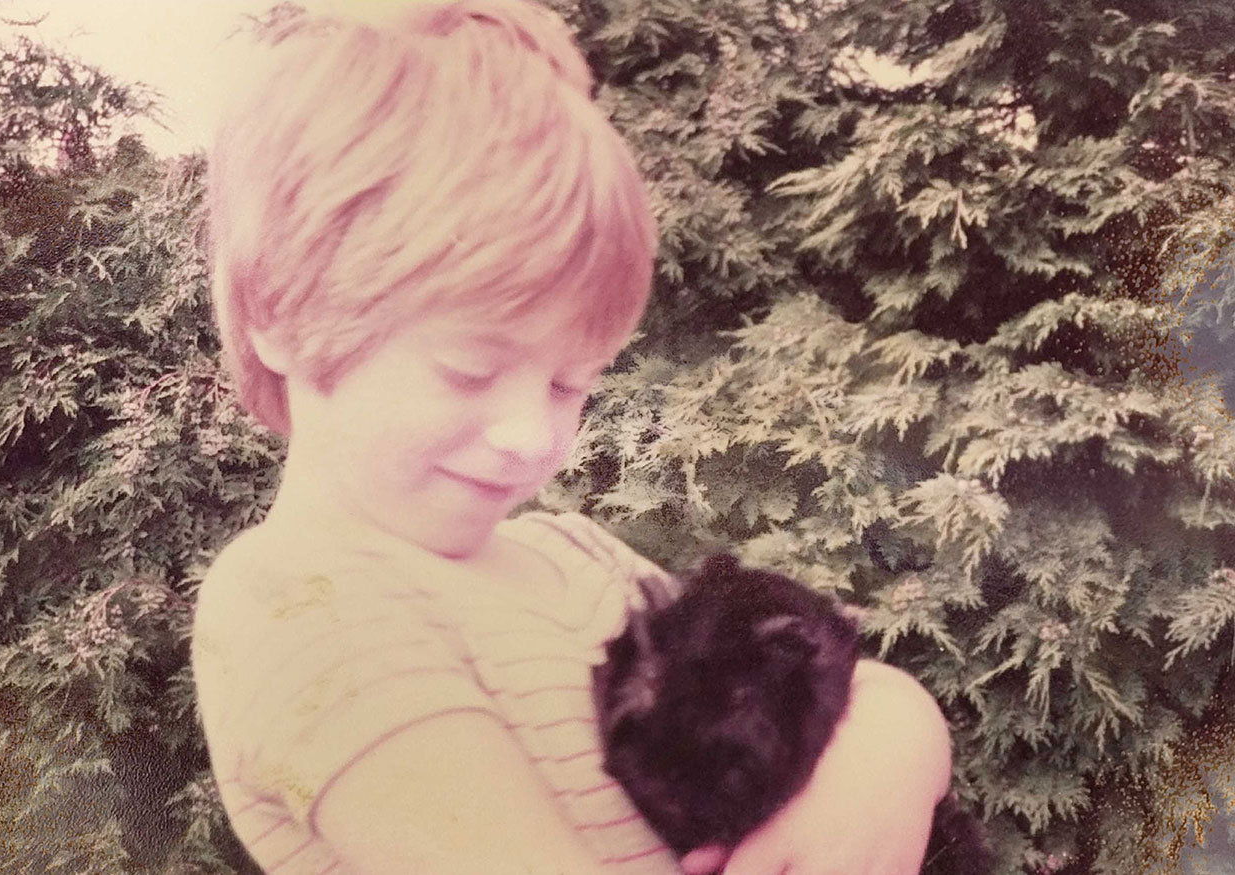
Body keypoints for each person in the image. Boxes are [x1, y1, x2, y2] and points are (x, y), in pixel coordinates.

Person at [190, 2, 954, 873]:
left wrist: (890, 752)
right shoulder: (292, 605)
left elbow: (823, 683)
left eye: (569, 383)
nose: (530, 435)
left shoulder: (578, 557)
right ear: (283, 313)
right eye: (470, 370)